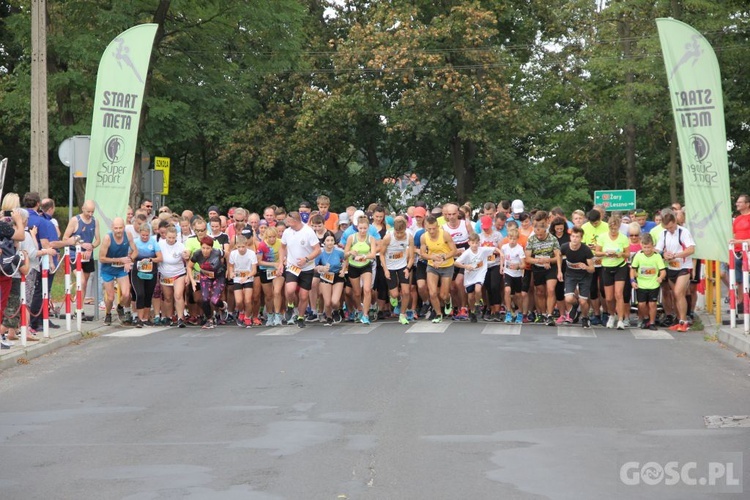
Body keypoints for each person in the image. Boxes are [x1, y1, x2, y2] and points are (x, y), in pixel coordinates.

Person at [279, 212, 321, 328]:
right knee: (290, 289)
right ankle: (291, 305)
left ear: (296, 221)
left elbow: (318, 250)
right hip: (292, 266)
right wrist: (280, 263)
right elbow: (282, 247)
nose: (287, 223)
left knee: (303, 295)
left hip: (307, 267)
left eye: (289, 221)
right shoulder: (287, 232)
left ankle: (301, 317)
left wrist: (306, 259)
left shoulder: (308, 232)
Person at [655, 211, 696, 332]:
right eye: (667, 228)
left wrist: (676, 255)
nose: (670, 230)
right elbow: (657, 249)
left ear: (675, 222)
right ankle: (679, 320)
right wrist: (664, 254)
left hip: (683, 266)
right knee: (675, 295)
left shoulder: (683, 232)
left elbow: (691, 249)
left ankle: (684, 321)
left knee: (679, 293)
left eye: (671, 227)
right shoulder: (663, 233)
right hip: (671, 267)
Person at [525, 211, 563, 326]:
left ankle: (550, 315)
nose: (539, 236)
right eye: (537, 234)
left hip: (551, 267)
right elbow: (527, 258)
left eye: (541, 234)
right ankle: (541, 313)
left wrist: (553, 264)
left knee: (551, 289)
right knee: (540, 292)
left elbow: (558, 256)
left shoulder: (552, 239)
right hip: (538, 268)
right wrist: (538, 261)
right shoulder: (531, 240)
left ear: (544, 229)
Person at [62, 200, 101, 309]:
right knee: (81, 280)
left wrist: (91, 247)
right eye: (88, 211)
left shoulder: (95, 221)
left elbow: (98, 240)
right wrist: (81, 244)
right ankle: (77, 307)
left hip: (88, 256)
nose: (90, 214)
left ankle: (80, 307)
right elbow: (65, 238)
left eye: (92, 212)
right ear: (83, 209)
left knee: (84, 283)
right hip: (75, 255)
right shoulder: (75, 220)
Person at [595, 214, 630, 330]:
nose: (613, 231)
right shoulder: (602, 237)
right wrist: (606, 253)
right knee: (609, 297)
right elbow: (597, 252)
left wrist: (621, 254)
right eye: (611, 228)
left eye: (615, 229)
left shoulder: (623, 238)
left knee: (618, 294)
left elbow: (627, 254)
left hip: (620, 266)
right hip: (607, 267)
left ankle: (620, 319)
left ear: (619, 227)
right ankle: (611, 315)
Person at [99, 217, 137, 326]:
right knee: (110, 297)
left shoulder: (128, 235)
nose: (118, 231)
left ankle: (120, 307)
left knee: (126, 294)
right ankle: (108, 313)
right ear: (112, 228)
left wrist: (129, 261)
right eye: (116, 228)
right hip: (108, 269)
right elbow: (102, 258)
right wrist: (119, 260)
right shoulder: (108, 238)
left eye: (120, 228)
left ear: (124, 227)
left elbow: (135, 251)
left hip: (121, 269)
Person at [420, 215, 457, 323]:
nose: (432, 231)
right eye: (429, 229)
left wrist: (443, 258)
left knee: (443, 294)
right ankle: (438, 314)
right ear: (426, 227)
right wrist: (431, 257)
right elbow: (422, 254)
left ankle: (447, 300)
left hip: (447, 265)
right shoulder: (423, 237)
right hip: (432, 266)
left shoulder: (445, 234)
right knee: (432, 293)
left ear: (437, 226)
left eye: (434, 228)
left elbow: (454, 251)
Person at [380, 217, 414, 325]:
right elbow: (381, 254)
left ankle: (402, 314)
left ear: (405, 229)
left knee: (406, 291)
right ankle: (394, 297)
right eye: (397, 232)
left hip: (402, 266)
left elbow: (412, 257)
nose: (399, 235)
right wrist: (385, 270)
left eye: (401, 232)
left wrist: (408, 268)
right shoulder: (388, 238)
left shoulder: (409, 237)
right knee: (394, 294)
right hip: (389, 266)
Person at [454, 233, 496, 322]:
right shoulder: (467, 253)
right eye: (473, 243)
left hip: (479, 274)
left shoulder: (482, 250)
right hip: (469, 276)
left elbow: (495, 249)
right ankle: (472, 311)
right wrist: (466, 266)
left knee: (478, 289)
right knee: (470, 297)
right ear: (469, 243)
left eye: (476, 243)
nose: (475, 245)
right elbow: (456, 263)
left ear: (479, 243)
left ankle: (477, 304)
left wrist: (502, 254)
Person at [344, 215, 378, 325]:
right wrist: (350, 253)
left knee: (367, 290)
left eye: (365, 228)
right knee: (357, 293)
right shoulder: (351, 238)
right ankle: (359, 309)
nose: (363, 231)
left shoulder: (371, 239)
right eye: (360, 228)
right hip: (353, 266)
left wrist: (364, 257)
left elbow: (373, 254)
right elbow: (345, 254)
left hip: (366, 265)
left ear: (368, 228)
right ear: (357, 227)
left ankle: (365, 314)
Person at [559, 226, 595, 328]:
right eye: (573, 236)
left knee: (583, 301)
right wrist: (559, 271)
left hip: (584, 276)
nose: (575, 239)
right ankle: (575, 306)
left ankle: (585, 317)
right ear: (570, 237)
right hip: (570, 275)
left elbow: (592, 269)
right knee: (568, 299)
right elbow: (559, 255)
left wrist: (586, 267)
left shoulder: (586, 250)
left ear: (581, 238)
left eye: (577, 237)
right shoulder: (565, 247)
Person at [188, 236, 227, 329]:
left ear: (211, 248)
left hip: (218, 276)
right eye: (203, 248)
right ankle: (210, 320)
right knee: (205, 299)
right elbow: (189, 266)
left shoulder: (217, 252)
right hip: (205, 276)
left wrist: (229, 268)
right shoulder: (197, 254)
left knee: (214, 300)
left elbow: (227, 254)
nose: (205, 251)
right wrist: (192, 281)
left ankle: (223, 306)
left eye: (208, 248)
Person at [630, 233, 667, 330]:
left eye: (649, 247)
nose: (647, 250)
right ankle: (646, 318)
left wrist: (661, 277)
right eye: (645, 247)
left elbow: (663, 271)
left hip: (653, 284)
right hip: (641, 284)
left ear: (653, 246)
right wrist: (632, 281)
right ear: (641, 245)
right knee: (641, 304)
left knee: (652, 304)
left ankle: (652, 322)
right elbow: (632, 270)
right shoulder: (638, 256)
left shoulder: (657, 256)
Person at [131, 222, 162, 327]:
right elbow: (129, 255)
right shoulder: (135, 242)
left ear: (149, 234)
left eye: (146, 235)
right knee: (140, 294)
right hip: (138, 271)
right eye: (143, 235)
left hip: (151, 270)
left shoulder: (153, 242)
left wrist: (150, 259)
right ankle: (139, 318)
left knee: (148, 295)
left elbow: (160, 258)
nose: (144, 237)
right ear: (139, 233)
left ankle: (145, 318)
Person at [157, 226, 189, 328]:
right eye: (169, 237)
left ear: (176, 237)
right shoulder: (160, 244)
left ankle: (180, 318)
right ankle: (169, 317)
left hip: (178, 273)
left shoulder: (180, 246)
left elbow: (187, 259)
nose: (171, 240)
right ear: (165, 236)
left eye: (173, 238)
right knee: (167, 297)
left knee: (178, 295)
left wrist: (186, 255)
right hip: (165, 274)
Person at [315, 231, 346, 326]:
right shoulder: (320, 252)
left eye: (332, 240)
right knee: (327, 303)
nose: (330, 243)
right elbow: (315, 267)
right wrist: (321, 268)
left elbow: (346, 259)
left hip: (337, 276)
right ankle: (329, 317)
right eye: (328, 240)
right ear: (324, 242)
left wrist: (343, 270)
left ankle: (336, 310)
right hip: (325, 276)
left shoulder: (339, 251)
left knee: (335, 301)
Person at [227, 235, 258, 328]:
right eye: (239, 247)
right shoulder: (233, 254)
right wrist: (231, 273)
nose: (241, 249)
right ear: (236, 246)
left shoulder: (251, 254)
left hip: (248, 278)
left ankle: (247, 317)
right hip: (237, 278)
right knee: (239, 301)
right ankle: (241, 312)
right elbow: (231, 266)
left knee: (248, 300)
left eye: (243, 247)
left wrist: (247, 277)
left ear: (246, 245)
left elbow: (254, 270)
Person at [500, 227, 526, 324]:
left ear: (517, 239)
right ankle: (508, 312)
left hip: (517, 275)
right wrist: (501, 266)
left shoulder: (519, 249)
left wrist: (518, 266)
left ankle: (520, 312)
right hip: (508, 273)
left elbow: (524, 264)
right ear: (508, 238)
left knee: (518, 295)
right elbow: (502, 257)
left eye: (514, 239)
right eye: (510, 238)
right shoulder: (504, 247)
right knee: (507, 290)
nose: (512, 241)